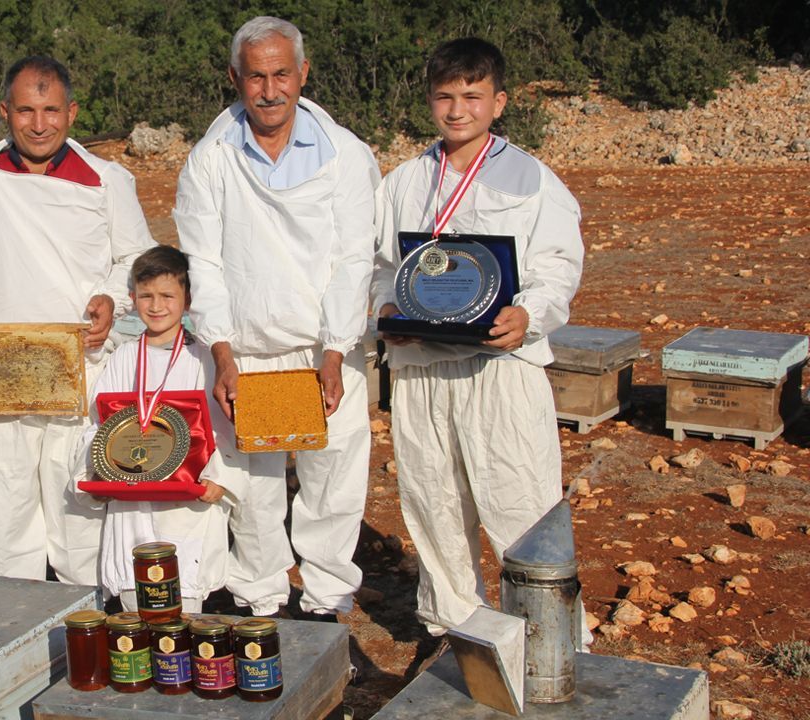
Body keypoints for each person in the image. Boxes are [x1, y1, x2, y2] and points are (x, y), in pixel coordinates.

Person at [0, 56, 155, 585]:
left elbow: (135, 263)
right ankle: (14, 634)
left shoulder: (108, 182)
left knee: (78, 510)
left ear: (72, 113)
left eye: (50, 110)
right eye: (25, 110)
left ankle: (86, 623)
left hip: (80, 369)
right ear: (5, 111)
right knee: (6, 507)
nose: (38, 124)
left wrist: (112, 299)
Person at [372, 37, 584, 636]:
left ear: (500, 101)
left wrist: (530, 316)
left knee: (520, 503)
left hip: (499, 368)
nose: (457, 109)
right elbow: (377, 261)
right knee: (433, 504)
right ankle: (456, 632)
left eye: (472, 95)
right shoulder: (403, 182)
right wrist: (384, 299)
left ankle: (553, 640)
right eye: (445, 96)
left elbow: (558, 267)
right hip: (421, 368)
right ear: (429, 101)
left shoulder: (530, 179)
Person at [173, 16, 379, 620]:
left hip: (323, 352)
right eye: (256, 77)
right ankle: (260, 603)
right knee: (253, 489)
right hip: (246, 354)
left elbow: (352, 258)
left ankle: (323, 604)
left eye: (281, 74)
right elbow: (203, 262)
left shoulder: (346, 156)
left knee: (331, 482)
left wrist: (337, 349)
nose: (270, 90)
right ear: (235, 78)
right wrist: (221, 353)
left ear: (303, 73)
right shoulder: (209, 160)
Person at [73, 245, 241, 613]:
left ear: (188, 299)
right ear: (131, 298)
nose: (156, 305)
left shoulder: (204, 359)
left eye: (168, 295)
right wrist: (95, 471)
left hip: (187, 505)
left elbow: (225, 428)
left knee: (186, 613)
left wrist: (220, 479)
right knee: (135, 606)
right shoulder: (124, 357)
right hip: (132, 501)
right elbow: (98, 425)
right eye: (146, 295)